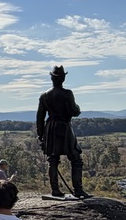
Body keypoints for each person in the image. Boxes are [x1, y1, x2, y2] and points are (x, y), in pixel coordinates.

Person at [36, 65, 88, 198]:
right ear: (63, 78)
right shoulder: (67, 93)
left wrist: (41, 135)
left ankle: (55, 190)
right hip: (64, 127)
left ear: (52, 78)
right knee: (75, 158)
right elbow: (74, 111)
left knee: (53, 160)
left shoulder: (44, 96)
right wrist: (78, 108)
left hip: (50, 128)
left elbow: (40, 118)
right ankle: (78, 190)